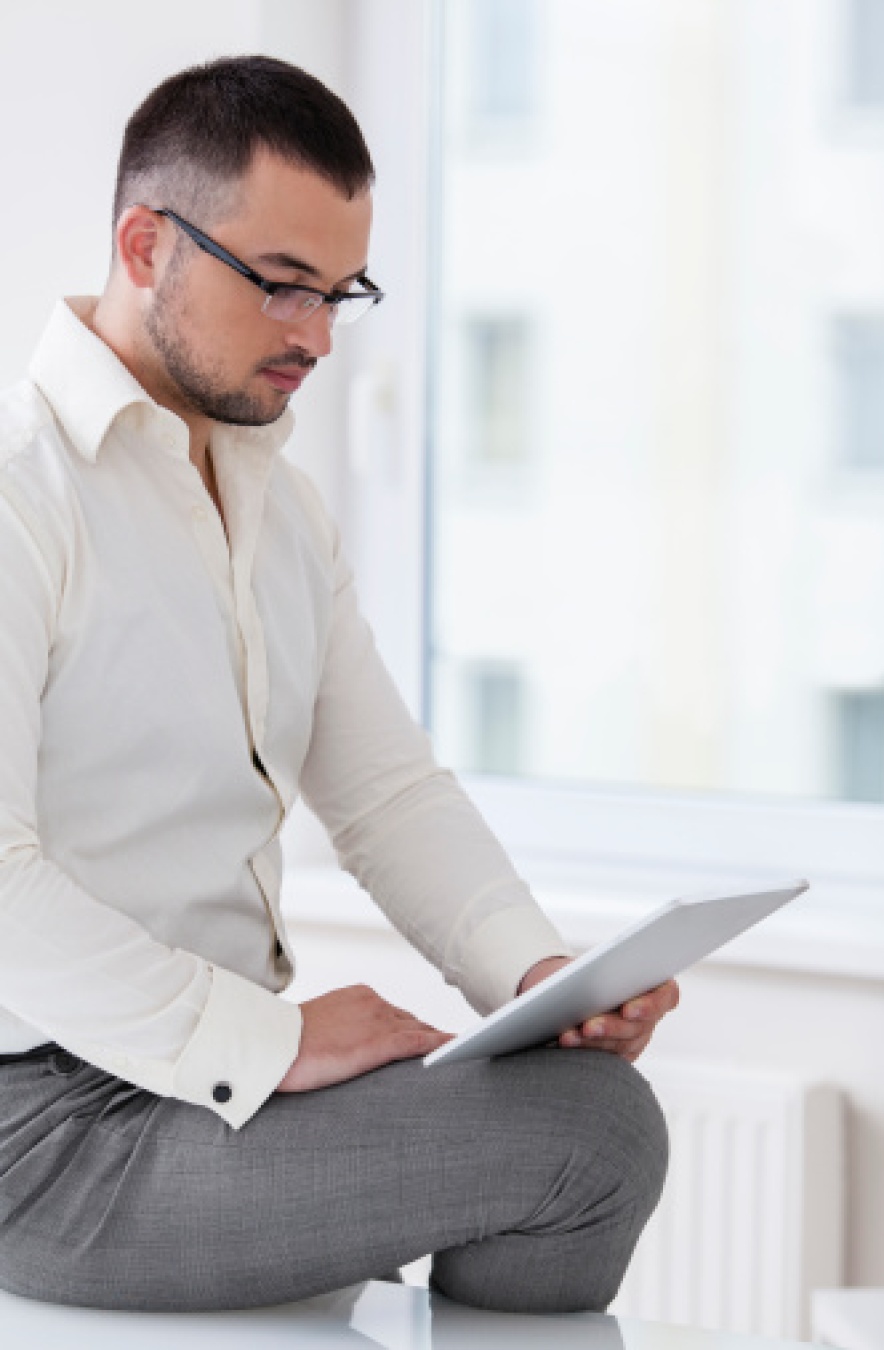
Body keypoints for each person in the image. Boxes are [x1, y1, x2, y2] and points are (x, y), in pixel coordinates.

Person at [0, 55, 677, 1315]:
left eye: (340, 291)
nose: (316, 335)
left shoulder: (277, 502)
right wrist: (278, 1038)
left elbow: (384, 795)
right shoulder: (20, 493)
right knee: (596, 1140)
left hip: (206, 1093)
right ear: (146, 246)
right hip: (44, 1133)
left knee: (583, 1105)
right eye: (281, 287)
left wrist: (534, 981)